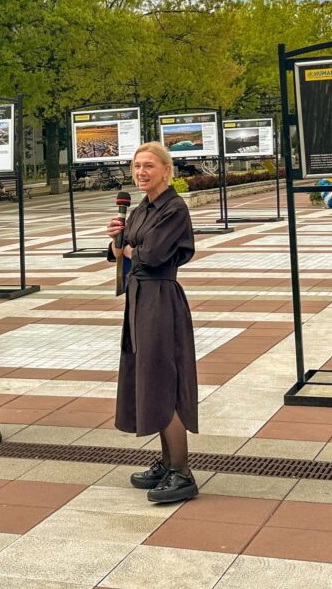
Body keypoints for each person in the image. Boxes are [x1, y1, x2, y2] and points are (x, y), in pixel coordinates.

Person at [106, 141, 199, 504]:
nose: (141, 172)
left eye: (148, 166)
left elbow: (153, 255)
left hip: (160, 300)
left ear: (166, 170)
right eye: (136, 166)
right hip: (139, 299)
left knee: (164, 380)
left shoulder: (174, 208)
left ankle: (181, 471)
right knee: (148, 378)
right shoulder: (142, 208)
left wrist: (128, 249)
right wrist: (117, 240)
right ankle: (165, 462)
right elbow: (127, 251)